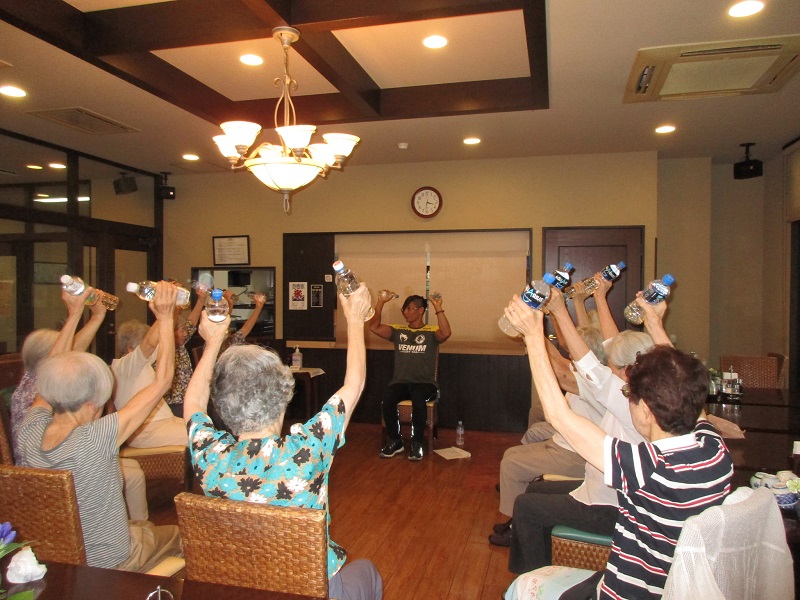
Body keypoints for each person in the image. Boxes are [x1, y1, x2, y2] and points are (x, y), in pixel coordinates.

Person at [502, 288, 733, 599]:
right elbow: (682, 384)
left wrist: (533, 337)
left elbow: (559, 415)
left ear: (646, 410)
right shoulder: (713, 449)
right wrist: (654, 322)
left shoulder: (647, 469)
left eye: (631, 397)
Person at [184, 282, 383, 600]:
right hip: (312, 590)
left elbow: (193, 402)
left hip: (243, 590)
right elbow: (354, 384)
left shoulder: (211, 457)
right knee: (368, 571)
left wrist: (213, 342)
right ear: (284, 397)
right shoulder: (305, 450)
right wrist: (356, 319)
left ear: (220, 404)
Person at [17, 282, 183, 572]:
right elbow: (163, 381)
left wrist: (76, 314)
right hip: (110, 561)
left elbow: (50, 370)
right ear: (94, 402)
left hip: (58, 557)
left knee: (142, 527)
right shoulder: (96, 437)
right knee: (182, 536)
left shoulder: (30, 429)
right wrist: (167, 317)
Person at [369, 291, 451, 461]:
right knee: (388, 398)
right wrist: (380, 302)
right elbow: (374, 327)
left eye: (409, 309)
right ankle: (395, 441)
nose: (405, 312)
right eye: (404, 309)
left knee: (419, 398)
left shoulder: (431, 331)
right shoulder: (398, 331)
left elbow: (446, 333)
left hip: (426, 383)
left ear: (420, 311)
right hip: (401, 382)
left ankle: (417, 443)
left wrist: (438, 307)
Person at [163, 284, 207, 417]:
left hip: (187, 400)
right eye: (181, 330)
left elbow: (191, 323)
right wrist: (174, 305)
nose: (185, 333)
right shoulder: (165, 348)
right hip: (172, 404)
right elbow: (170, 324)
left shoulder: (180, 346)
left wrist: (201, 300)